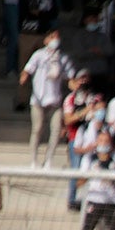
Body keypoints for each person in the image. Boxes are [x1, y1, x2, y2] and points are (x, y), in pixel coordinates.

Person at [20, 29, 75, 170]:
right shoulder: (38, 55)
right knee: (37, 129)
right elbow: (28, 69)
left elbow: (69, 77)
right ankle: (33, 160)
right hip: (38, 99)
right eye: (52, 37)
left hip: (55, 100)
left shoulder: (63, 58)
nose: (55, 39)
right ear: (46, 40)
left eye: (57, 36)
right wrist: (24, 75)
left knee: (56, 130)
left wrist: (73, 84)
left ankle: (49, 159)